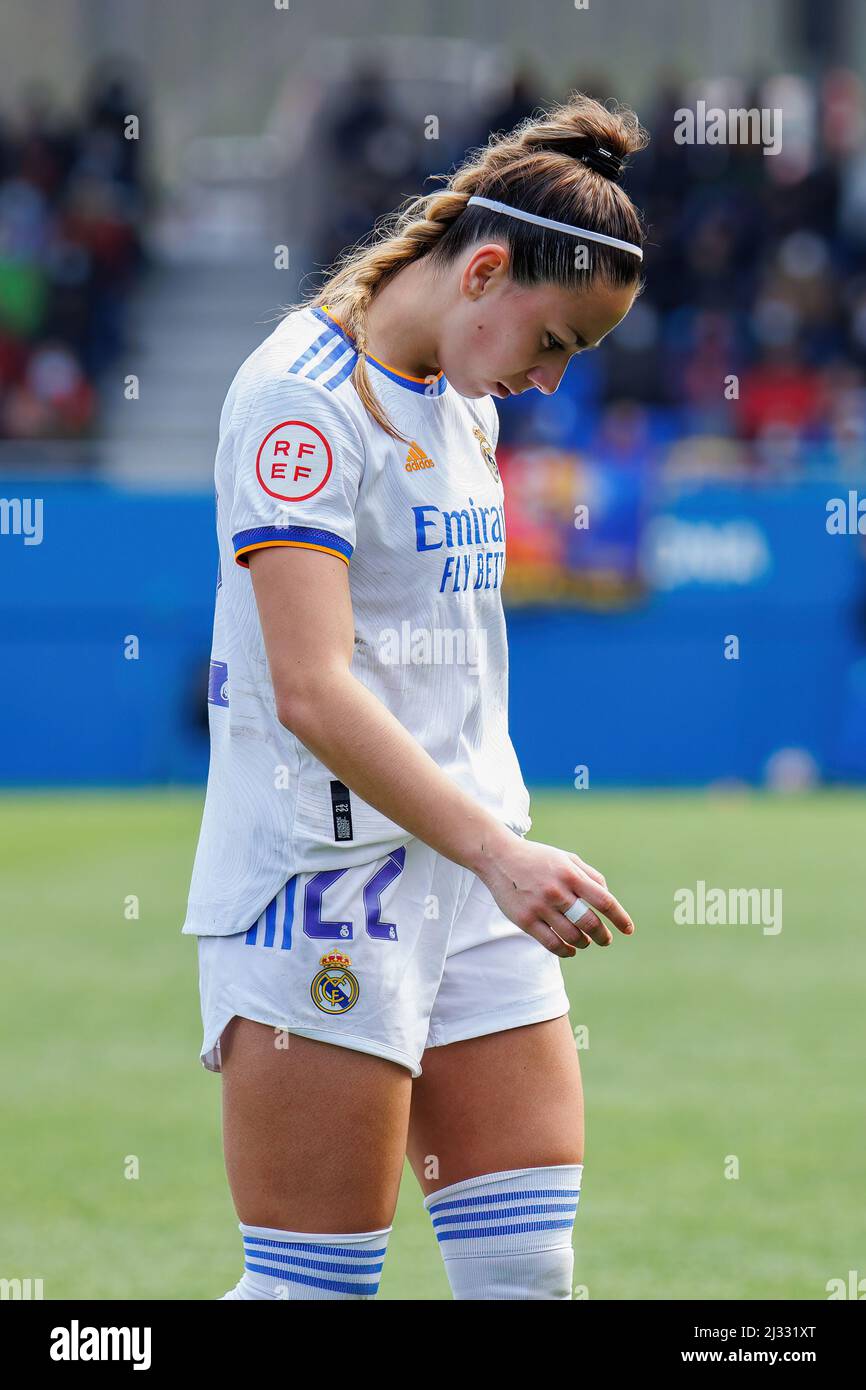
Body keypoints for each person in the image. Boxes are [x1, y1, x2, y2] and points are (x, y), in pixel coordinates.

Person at [182, 91, 646, 1301]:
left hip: (472, 876)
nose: (549, 381)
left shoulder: (464, 401)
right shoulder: (302, 398)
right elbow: (314, 692)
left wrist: (490, 853)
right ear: (483, 269)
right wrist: (501, 852)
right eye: (555, 342)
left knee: (525, 1275)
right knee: (311, 1292)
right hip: (320, 883)